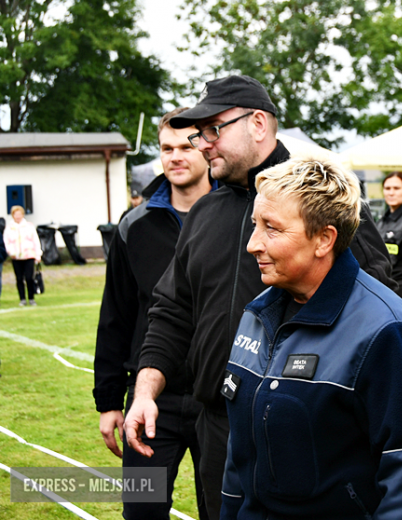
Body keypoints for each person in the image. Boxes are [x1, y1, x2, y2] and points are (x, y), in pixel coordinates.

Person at [125, 75, 393, 519]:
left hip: (300, 426)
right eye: (198, 133)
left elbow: (375, 301)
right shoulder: (205, 211)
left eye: (213, 130)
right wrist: (145, 390)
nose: (203, 144)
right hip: (218, 427)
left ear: (259, 124)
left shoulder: (321, 197)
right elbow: (171, 311)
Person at [220, 155, 402, 519]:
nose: (253, 244)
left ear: (324, 239)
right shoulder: (257, 313)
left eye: (271, 228)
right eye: (255, 225)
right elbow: (241, 452)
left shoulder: (387, 331)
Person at [93, 108, 215, 520]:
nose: (176, 156)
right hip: (150, 400)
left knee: (223, 511)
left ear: (207, 148)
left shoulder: (239, 216)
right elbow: (116, 316)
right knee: (142, 511)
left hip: (219, 398)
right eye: (166, 148)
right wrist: (109, 401)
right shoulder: (135, 226)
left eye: (187, 145)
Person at [376, 172, 402, 304]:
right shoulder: (381, 221)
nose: (391, 193)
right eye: (387, 188)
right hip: (383, 288)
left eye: (396, 188)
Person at [4, 205, 42, 306]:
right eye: (16, 214)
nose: (18, 216)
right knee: (19, 278)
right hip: (16, 257)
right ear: (13, 215)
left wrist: (38, 253)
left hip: (29, 255)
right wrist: (10, 252)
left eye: (19, 214)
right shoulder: (9, 228)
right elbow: (6, 241)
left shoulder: (29, 226)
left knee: (29, 277)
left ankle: (31, 298)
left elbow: (35, 240)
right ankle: (22, 298)